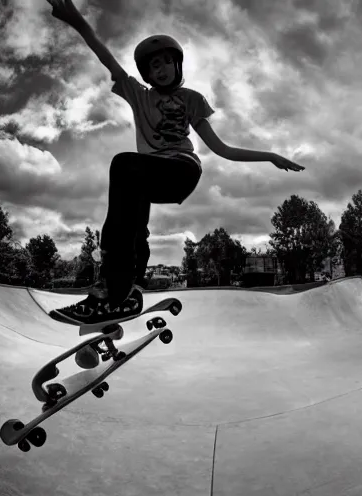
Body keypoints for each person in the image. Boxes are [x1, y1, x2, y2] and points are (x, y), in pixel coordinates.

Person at [45, 0, 304, 326]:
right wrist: (77, 21)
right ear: (147, 74)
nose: (162, 69)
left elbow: (221, 148)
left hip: (181, 170)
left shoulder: (192, 99)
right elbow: (105, 56)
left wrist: (269, 156)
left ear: (177, 66)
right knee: (134, 210)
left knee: (124, 165)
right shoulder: (137, 94)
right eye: (155, 66)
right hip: (148, 174)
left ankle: (112, 286)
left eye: (167, 62)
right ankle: (128, 290)